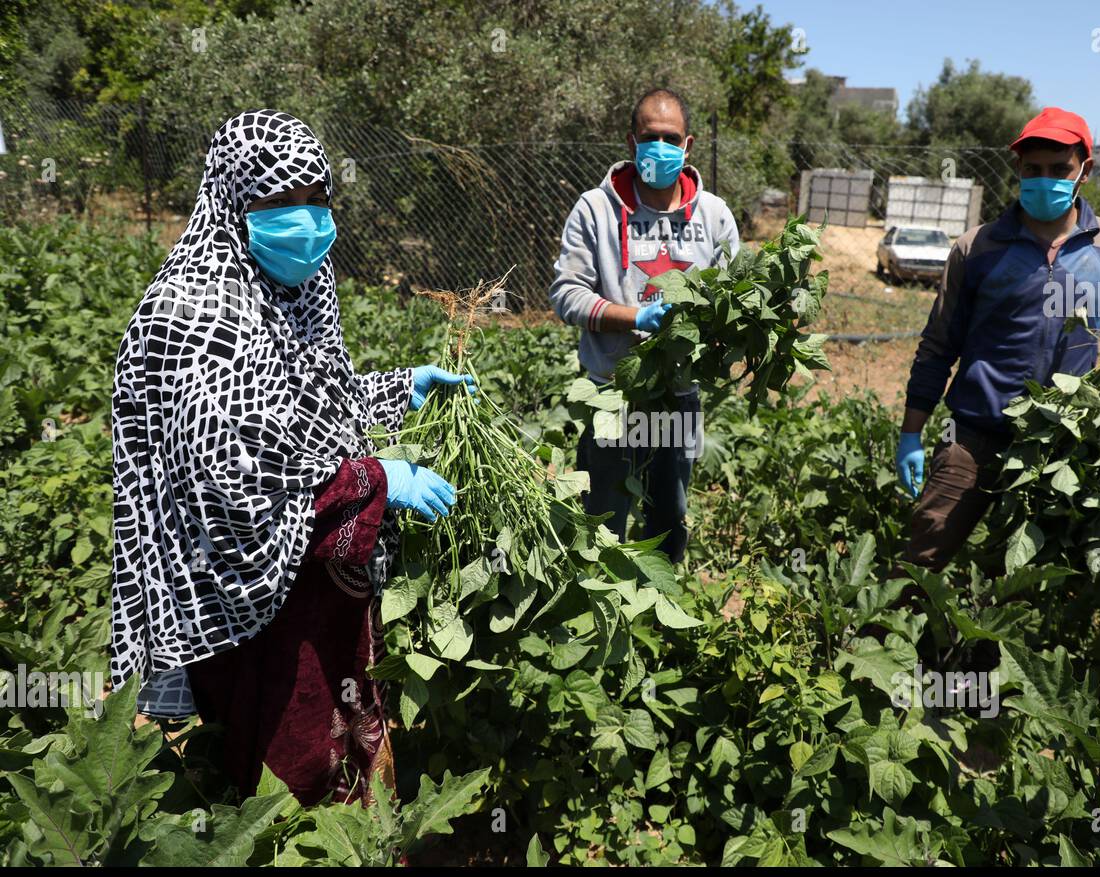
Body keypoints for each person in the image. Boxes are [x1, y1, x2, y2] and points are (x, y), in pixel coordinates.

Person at [110, 110, 472, 806]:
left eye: (316, 199)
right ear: (233, 201)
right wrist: (373, 482)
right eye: (280, 202)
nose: (306, 221)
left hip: (313, 585)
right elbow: (234, 485)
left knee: (337, 737)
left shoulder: (298, 291)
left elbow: (304, 416)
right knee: (279, 779)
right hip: (243, 603)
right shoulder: (195, 311)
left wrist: (401, 388)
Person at [895, 107, 1100, 581]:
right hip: (974, 435)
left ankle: (988, 652)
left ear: (1085, 171)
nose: (1045, 180)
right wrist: (912, 431)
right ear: (1018, 170)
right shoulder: (978, 248)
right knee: (923, 557)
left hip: (1067, 443)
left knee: (1036, 577)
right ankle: (895, 647)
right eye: (1033, 170)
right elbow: (938, 345)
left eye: (1060, 170)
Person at [549, 88, 739, 563]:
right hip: (612, 391)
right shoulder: (595, 209)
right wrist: (635, 316)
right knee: (602, 519)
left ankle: (661, 614)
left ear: (688, 144)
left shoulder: (714, 216)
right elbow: (566, 294)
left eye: (671, 138)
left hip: (679, 397)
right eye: (650, 137)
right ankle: (599, 615)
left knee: (670, 517)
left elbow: (734, 301)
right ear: (631, 142)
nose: (661, 147)